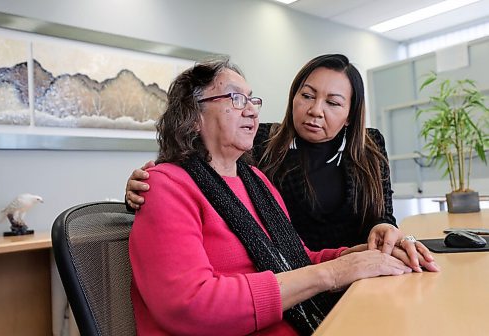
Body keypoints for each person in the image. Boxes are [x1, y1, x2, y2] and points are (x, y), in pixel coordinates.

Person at [129, 59, 437, 336]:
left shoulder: (256, 181)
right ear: (193, 115)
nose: (251, 109)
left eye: (252, 100)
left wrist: (361, 256)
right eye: (236, 99)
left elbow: (295, 260)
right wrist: (333, 273)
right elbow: (191, 306)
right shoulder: (168, 185)